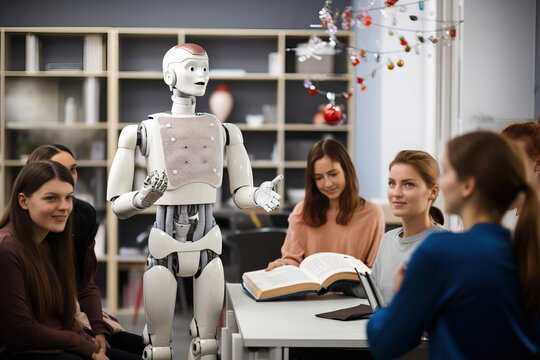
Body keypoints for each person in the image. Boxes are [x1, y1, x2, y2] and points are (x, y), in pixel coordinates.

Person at [367, 131, 540, 359]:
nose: (440, 182)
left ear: (467, 186)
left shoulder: (440, 251)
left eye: (446, 172)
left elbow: (385, 343)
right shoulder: (526, 250)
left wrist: (403, 296)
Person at [26, 145, 144, 360]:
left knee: (150, 350)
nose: (69, 177)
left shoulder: (83, 215)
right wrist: (81, 340)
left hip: (74, 313)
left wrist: (98, 329)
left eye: (72, 169)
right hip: (45, 323)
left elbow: (85, 282)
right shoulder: (22, 234)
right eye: (59, 170)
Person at [0, 161, 105, 360]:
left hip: (51, 343)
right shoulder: (6, 249)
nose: (64, 207)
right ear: (23, 201)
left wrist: (85, 340)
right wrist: (85, 348)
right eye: (51, 198)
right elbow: (20, 332)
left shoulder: (48, 244)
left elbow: (62, 315)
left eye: (69, 198)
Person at [266, 138, 384, 271]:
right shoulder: (302, 211)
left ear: (347, 171)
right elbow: (292, 260)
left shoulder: (373, 213)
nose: (327, 184)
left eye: (333, 174)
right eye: (319, 178)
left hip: (354, 291)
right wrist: (283, 264)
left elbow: (373, 269)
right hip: (311, 290)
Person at [371, 150, 445, 306]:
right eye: (392, 183)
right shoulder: (387, 240)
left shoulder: (446, 245)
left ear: (433, 192)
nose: (396, 193)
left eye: (408, 184)